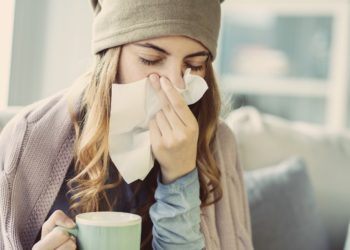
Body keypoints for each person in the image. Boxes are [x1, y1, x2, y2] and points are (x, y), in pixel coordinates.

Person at [0, 0, 253, 249]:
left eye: (194, 65)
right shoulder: (30, 136)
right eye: (151, 59)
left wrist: (180, 177)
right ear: (110, 55)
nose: (176, 84)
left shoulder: (218, 143)